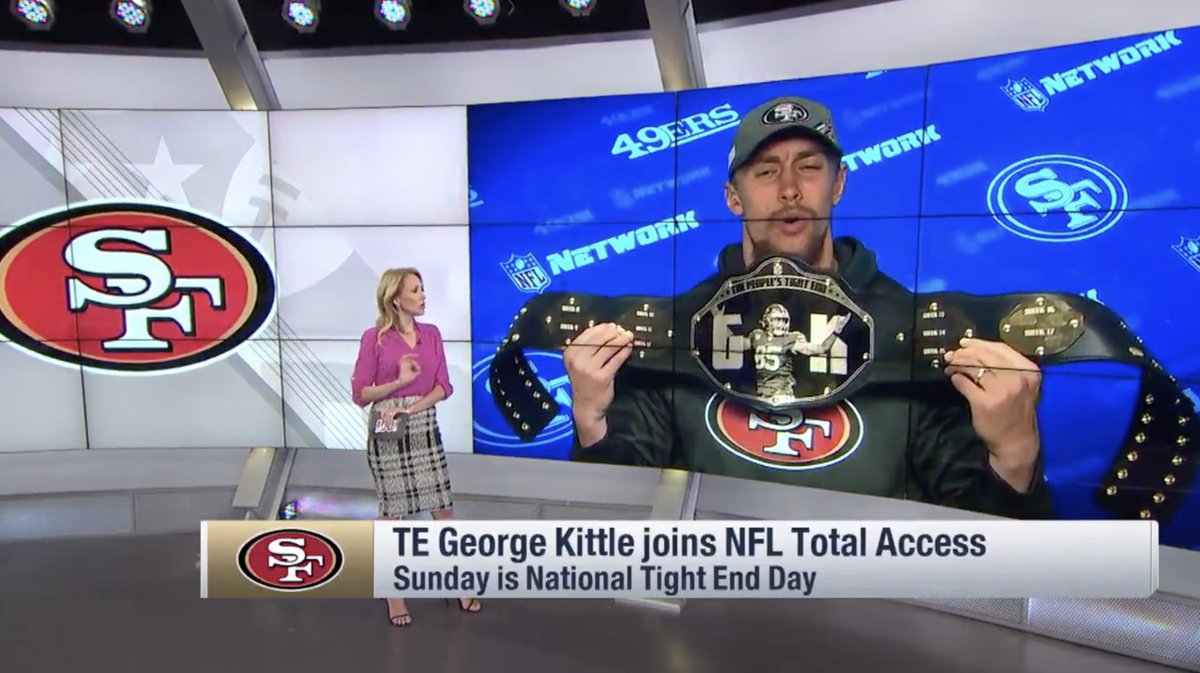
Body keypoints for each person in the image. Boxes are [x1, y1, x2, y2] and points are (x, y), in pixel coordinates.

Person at [563, 96, 1054, 519]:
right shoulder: (678, 329)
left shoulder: (909, 332)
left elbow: (982, 561)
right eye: (766, 171)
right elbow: (617, 533)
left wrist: (1014, 457)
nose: (789, 190)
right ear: (733, 198)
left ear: (838, 184)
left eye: (809, 167)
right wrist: (592, 423)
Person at [351, 267, 481, 627]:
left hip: (423, 424)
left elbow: (443, 386)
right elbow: (361, 394)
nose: (423, 296)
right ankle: (393, 594)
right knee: (392, 514)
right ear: (396, 299)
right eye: (415, 290)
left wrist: (411, 409)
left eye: (422, 289)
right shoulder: (374, 339)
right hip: (388, 427)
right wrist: (398, 383)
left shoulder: (431, 334)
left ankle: (460, 584)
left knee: (442, 510)